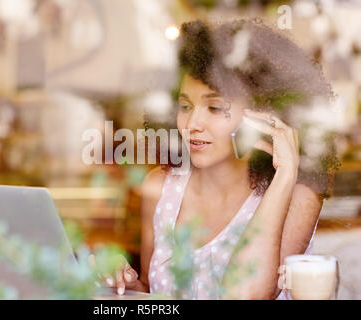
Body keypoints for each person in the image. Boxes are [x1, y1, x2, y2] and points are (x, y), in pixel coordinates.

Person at [101, 19, 339, 299]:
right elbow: (155, 295)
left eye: (215, 108)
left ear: (264, 114)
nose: (193, 123)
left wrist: (286, 173)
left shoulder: (296, 193)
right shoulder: (160, 189)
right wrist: (127, 288)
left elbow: (246, 294)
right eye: (185, 106)